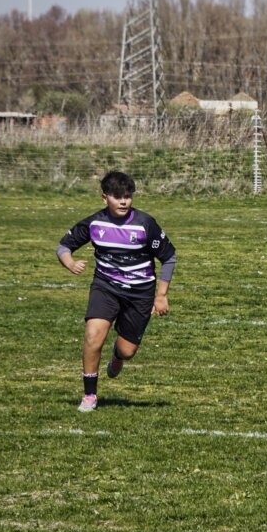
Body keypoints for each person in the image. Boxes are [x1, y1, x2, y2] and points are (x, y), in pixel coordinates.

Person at [57, 171, 176, 412]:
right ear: (104, 198)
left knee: (127, 350)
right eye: (118, 196)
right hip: (106, 287)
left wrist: (161, 295)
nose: (123, 201)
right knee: (92, 336)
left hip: (140, 292)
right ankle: (89, 395)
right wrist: (69, 263)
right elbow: (63, 246)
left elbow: (169, 256)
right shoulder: (94, 224)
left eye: (128, 196)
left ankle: (118, 356)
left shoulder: (145, 224)